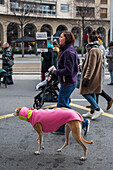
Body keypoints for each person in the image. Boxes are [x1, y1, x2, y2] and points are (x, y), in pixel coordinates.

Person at [49, 30, 90, 135]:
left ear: (66, 39)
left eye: (62, 37)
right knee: (61, 107)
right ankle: (62, 128)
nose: (59, 38)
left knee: (64, 108)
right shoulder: (67, 50)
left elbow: (68, 70)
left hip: (67, 83)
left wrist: (55, 72)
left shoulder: (68, 52)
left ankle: (84, 122)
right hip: (67, 82)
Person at [79, 30, 104, 120]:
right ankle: (92, 111)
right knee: (92, 92)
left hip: (91, 77)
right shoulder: (97, 48)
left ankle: (97, 108)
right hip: (95, 76)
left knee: (84, 92)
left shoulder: (93, 50)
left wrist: (86, 77)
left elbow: (91, 65)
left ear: (89, 40)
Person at [86, 34, 113, 110]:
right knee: (96, 88)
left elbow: (96, 61)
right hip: (98, 70)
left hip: (98, 70)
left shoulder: (98, 48)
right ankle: (94, 104)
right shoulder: (98, 47)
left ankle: (106, 100)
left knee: (97, 88)